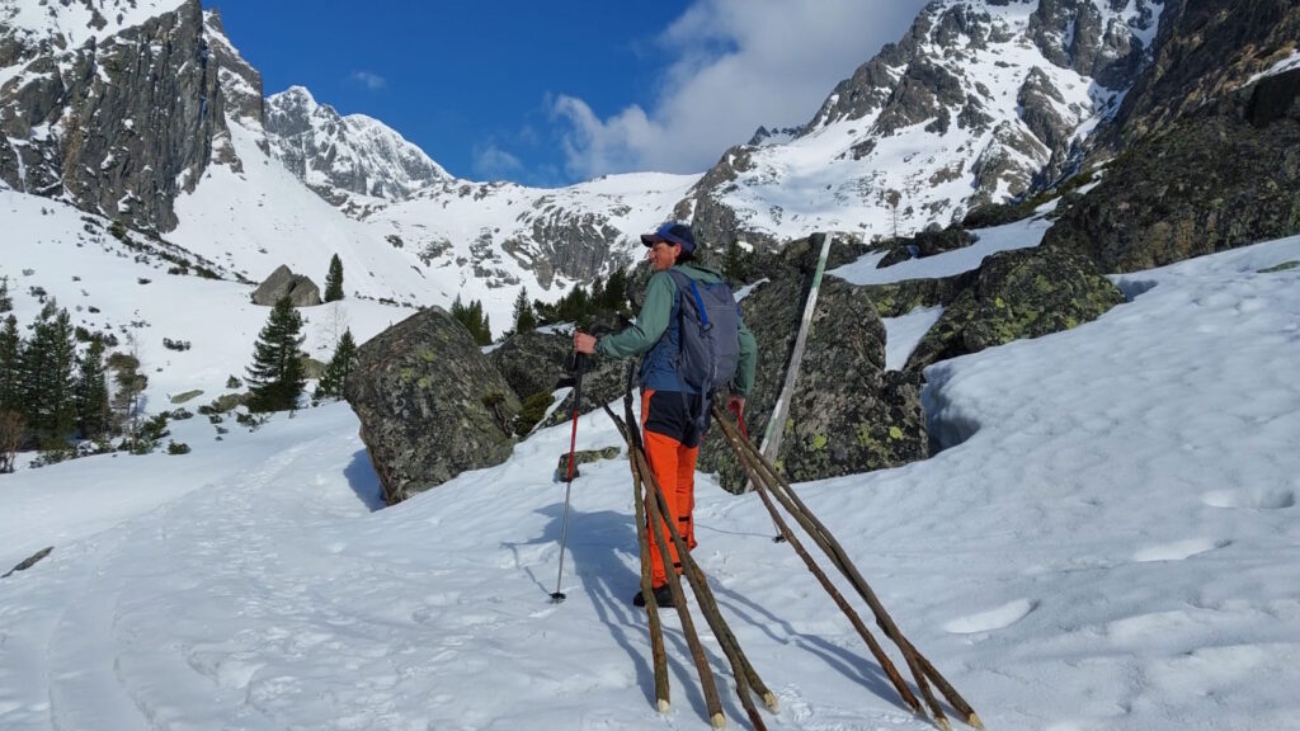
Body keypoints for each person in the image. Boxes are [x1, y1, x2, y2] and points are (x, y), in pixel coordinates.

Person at [574, 222, 757, 608]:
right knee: (681, 482)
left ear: (676, 249)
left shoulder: (666, 282)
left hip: (665, 393)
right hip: (700, 398)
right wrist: (739, 391)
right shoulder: (717, 287)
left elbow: (645, 335)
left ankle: (661, 581)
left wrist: (598, 346)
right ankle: (681, 551)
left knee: (658, 486)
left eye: (655, 247)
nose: (649, 254)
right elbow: (747, 344)